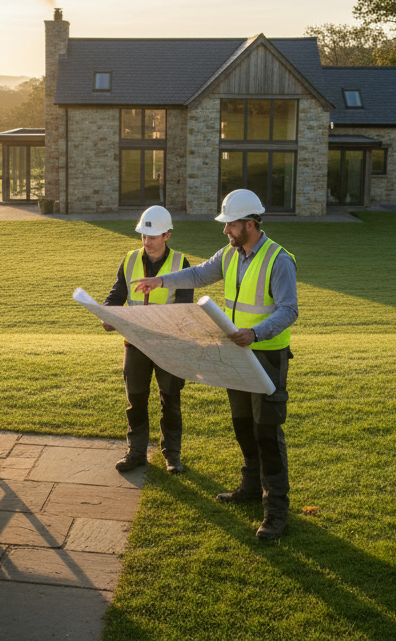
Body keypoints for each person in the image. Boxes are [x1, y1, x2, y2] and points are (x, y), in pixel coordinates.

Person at [130, 189, 297, 540]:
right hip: (237, 353)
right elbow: (199, 274)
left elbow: (288, 310)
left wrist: (256, 333)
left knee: (267, 433)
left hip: (266, 356)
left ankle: (276, 512)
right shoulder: (231, 254)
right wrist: (160, 281)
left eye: (231, 225)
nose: (226, 231)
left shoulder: (278, 259)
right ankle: (250, 489)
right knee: (242, 425)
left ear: (250, 224)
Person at [103, 205, 193, 474]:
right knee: (136, 400)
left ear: (167, 235)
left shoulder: (181, 264)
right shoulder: (129, 260)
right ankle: (136, 453)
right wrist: (107, 314)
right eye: (143, 236)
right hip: (136, 345)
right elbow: (116, 295)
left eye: (152, 237)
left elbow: (185, 309)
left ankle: (172, 456)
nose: (147, 242)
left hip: (169, 346)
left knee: (171, 400)